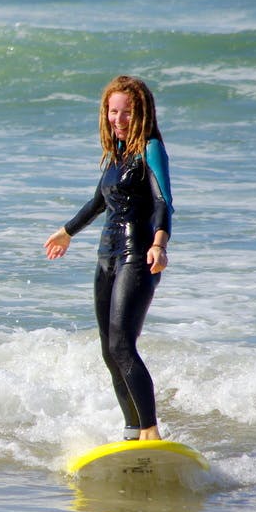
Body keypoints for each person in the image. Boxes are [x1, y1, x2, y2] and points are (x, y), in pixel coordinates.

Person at [43, 76, 173, 442]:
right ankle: (133, 430)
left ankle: (152, 432)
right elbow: (100, 201)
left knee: (122, 345)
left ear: (141, 113)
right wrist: (66, 232)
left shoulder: (150, 149)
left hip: (138, 254)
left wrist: (159, 245)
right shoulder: (117, 154)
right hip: (106, 258)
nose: (118, 119)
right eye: (113, 112)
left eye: (126, 113)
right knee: (108, 349)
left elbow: (164, 202)